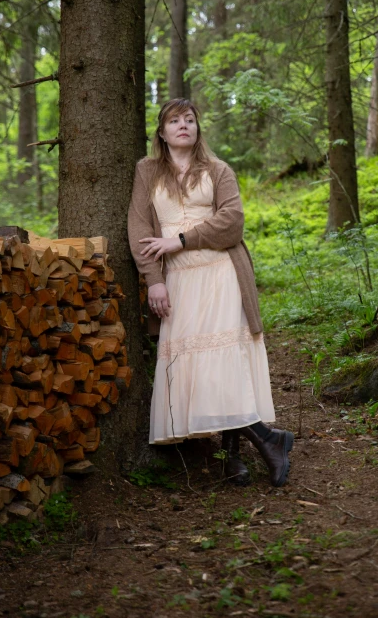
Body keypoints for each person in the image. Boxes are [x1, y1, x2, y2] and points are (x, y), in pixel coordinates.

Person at [127, 98, 294, 487]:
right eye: (174, 120)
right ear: (162, 132)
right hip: (179, 282)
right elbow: (138, 228)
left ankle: (236, 457)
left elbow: (232, 223)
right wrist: (153, 279)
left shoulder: (218, 170)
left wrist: (181, 239)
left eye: (190, 119)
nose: (183, 125)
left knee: (225, 367)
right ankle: (268, 441)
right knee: (198, 371)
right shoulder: (147, 170)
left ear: (198, 128)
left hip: (222, 273)